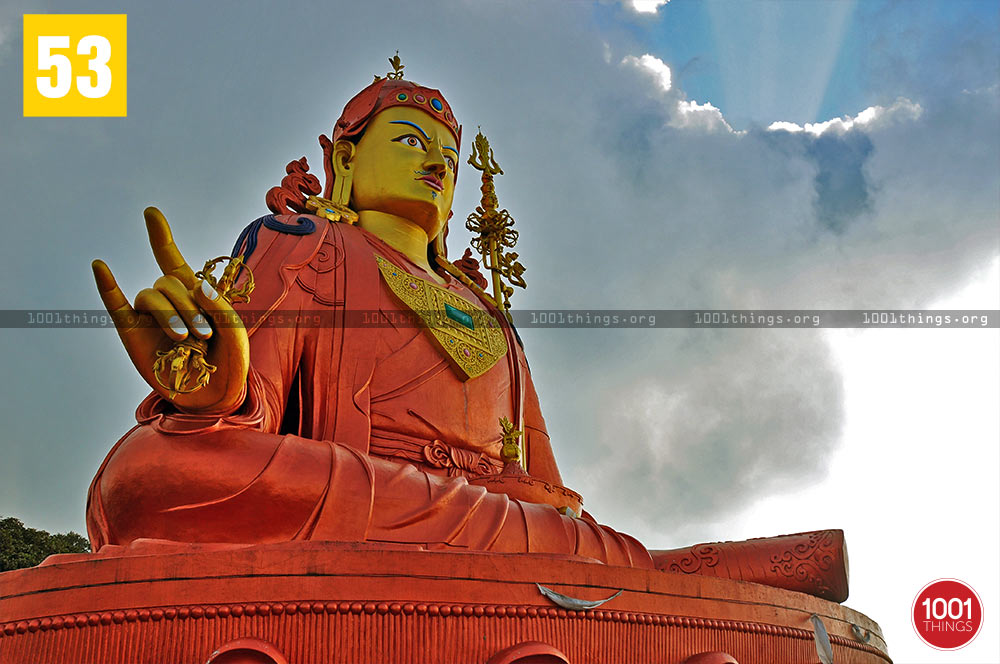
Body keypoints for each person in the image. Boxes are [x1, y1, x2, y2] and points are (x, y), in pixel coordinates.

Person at [87, 68, 652, 568]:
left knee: (585, 540)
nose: (436, 165)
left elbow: (545, 483)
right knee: (149, 471)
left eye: (449, 160)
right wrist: (212, 394)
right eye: (411, 142)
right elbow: (245, 418)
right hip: (355, 491)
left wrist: (555, 516)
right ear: (345, 158)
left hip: (500, 517)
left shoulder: (490, 314)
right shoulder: (304, 245)